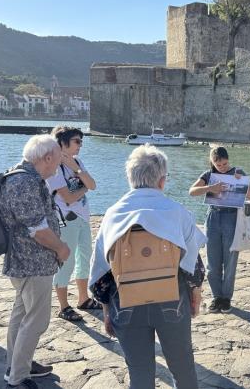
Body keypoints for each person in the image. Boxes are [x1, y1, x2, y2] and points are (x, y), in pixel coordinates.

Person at [90, 145, 207, 389]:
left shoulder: (113, 214)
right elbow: (193, 267)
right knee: (183, 368)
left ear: (130, 178)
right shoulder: (177, 212)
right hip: (172, 300)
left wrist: (107, 310)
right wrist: (195, 297)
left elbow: (101, 274)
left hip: (126, 301)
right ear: (162, 180)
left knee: (140, 373)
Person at [0, 135, 70, 389]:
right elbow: (38, 230)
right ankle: (18, 376)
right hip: (32, 262)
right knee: (36, 320)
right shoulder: (24, 182)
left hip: (26, 261)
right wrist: (61, 248)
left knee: (22, 315)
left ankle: (17, 365)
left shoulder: (23, 178)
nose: (58, 167)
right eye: (58, 161)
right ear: (47, 158)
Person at [188, 146, 250, 314]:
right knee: (212, 259)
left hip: (232, 218)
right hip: (213, 217)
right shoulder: (208, 175)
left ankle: (226, 298)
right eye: (219, 165)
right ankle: (217, 296)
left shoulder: (238, 172)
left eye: (225, 164)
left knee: (230, 259)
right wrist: (209, 188)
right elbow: (192, 191)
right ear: (212, 162)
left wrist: (242, 182)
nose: (223, 167)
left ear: (228, 160)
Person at [46, 126, 98, 322]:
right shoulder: (54, 167)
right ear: (62, 143)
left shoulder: (76, 162)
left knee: (85, 258)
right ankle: (63, 306)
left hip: (83, 217)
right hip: (67, 219)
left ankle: (83, 298)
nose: (80, 145)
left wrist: (77, 170)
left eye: (81, 141)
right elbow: (68, 198)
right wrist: (84, 187)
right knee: (66, 261)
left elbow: (93, 185)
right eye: (77, 141)